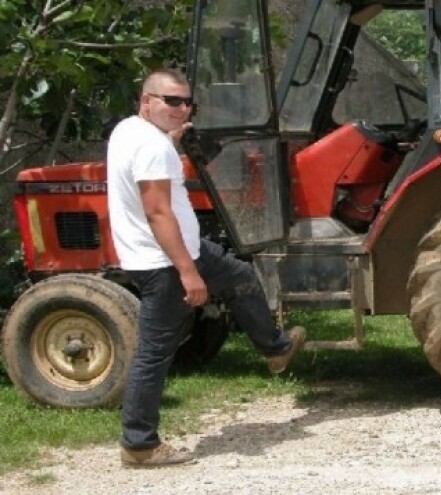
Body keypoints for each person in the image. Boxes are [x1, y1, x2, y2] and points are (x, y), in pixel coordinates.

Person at [107, 68, 306, 468]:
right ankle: (139, 443)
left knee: (240, 276)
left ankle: (276, 348)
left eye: (187, 103)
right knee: (154, 352)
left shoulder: (129, 131)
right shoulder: (152, 147)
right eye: (171, 101)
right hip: (165, 261)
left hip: (183, 249)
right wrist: (188, 273)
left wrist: (171, 141)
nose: (181, 109)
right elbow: (158, 212)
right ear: (147, 101)